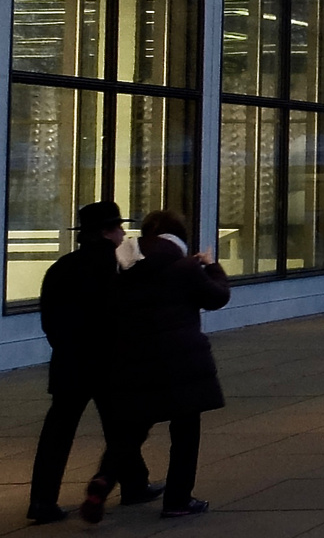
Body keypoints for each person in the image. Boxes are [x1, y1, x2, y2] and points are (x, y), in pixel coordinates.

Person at [29, 202, 157, 524]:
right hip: (110, 361)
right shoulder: (120, 266)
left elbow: (50, 320)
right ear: (106, 232)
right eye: (118, 228)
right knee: (121, 425)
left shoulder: (61, 268)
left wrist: (65, 347)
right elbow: (130, 314)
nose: (123, 234)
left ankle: (42, 500)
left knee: (57, 432)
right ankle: (133, 484)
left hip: (70, 361)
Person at [99, 211, 229, 520]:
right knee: (185, 431)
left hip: (136, 358)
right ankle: (177, 500)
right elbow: (217, 297)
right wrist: (211, 266)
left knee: (132, 427)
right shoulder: (185, 267)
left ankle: (102, 481)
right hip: (181, 361)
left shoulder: (123, 266)